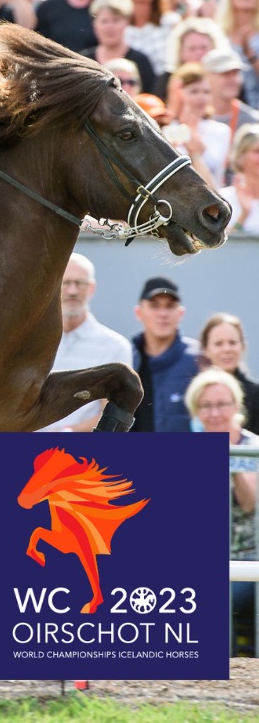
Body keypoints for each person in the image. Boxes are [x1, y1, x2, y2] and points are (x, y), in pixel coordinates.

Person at [183, 368, 258, 654]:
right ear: (196, 412)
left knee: (213, 598)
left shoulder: (252, 447)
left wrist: (227, 458)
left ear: (236, 406)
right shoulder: (189, 451)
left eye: (222, 404)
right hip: (202, 559)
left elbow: (249, 502)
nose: (215, 413)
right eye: (206, 406)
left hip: (247, 558)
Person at [40, 253, 133, 432]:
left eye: (80, 283)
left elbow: (113, 415)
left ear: (91, 288)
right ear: (54, 285)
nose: (73, 291)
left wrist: (65, 433)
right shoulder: (31, 343)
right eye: (66, 283)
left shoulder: (115, 347)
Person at [130, 276, 200, 434]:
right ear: (139, 312)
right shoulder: (125, 359)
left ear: (180, 313)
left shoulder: (200, 360)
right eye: (154, 305)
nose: (163, 313)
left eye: (170, 306)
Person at [81, 0, 157, 92]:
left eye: (115, 20)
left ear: (127, 22)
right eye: (104, 21)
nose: (110, 27)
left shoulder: (141, 61)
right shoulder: (85, 61)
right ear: (95, 24)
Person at [199, 313, 259, 430]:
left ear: (242, 346)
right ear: (205, 349)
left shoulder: (256, 395)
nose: (226, 349)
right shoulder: (195, 394)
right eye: (218, 343)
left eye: (232, 343)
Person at [221, 124, 259, 233]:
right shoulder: (224, 200)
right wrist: (244, 214)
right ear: (240, 157)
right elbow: (221, 246)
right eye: (257, 151)